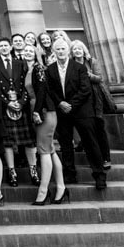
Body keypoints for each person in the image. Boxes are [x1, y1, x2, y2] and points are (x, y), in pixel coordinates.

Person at [47, 38, 107, 190]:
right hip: (62, 112)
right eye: (58, 49)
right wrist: (60, 103)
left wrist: (71, 105)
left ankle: (99, 175)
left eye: (63, 48)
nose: (61, 51)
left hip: (82, 110)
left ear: (68, 51)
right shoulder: (50, 69)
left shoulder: (79, 67)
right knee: (65, 144)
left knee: (90, 143)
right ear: (54, 51)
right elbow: (50, 90)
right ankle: (70, 174)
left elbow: (85, 89)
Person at [0, 35, 38, 204]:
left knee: (29, 141)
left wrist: (21, 102)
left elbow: (26, 85)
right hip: (5, 107)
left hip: (21, 107)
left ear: (10, 47)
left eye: (6, 45)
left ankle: (33, 171)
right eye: (0, 46)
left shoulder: (20, 63)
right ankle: (12, 172)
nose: (3, 48)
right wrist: (7, 103)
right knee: (8, 142)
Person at [28, 44, 67, 206]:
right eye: (25, 50)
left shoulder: (38, 68)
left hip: (44, 111)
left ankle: (43, 191)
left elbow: (42, 90)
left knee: (43, 150)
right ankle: (61, 187)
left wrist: (37, 111)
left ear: (36, 53)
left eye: (30, 50)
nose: (27, 52)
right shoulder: (29, 69)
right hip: (38, 111)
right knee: (50, 150)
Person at [71, 40, 112, 171]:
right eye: (75, 49)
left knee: (100, 129)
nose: (77, 51)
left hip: (95, 100)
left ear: (84, 50)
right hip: (81, 103)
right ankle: (95, 159)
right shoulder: (71, 64)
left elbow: (99, 78)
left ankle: (106, 158)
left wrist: (86, 74)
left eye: (79, 48)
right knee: (88, 131)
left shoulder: (91, 62)